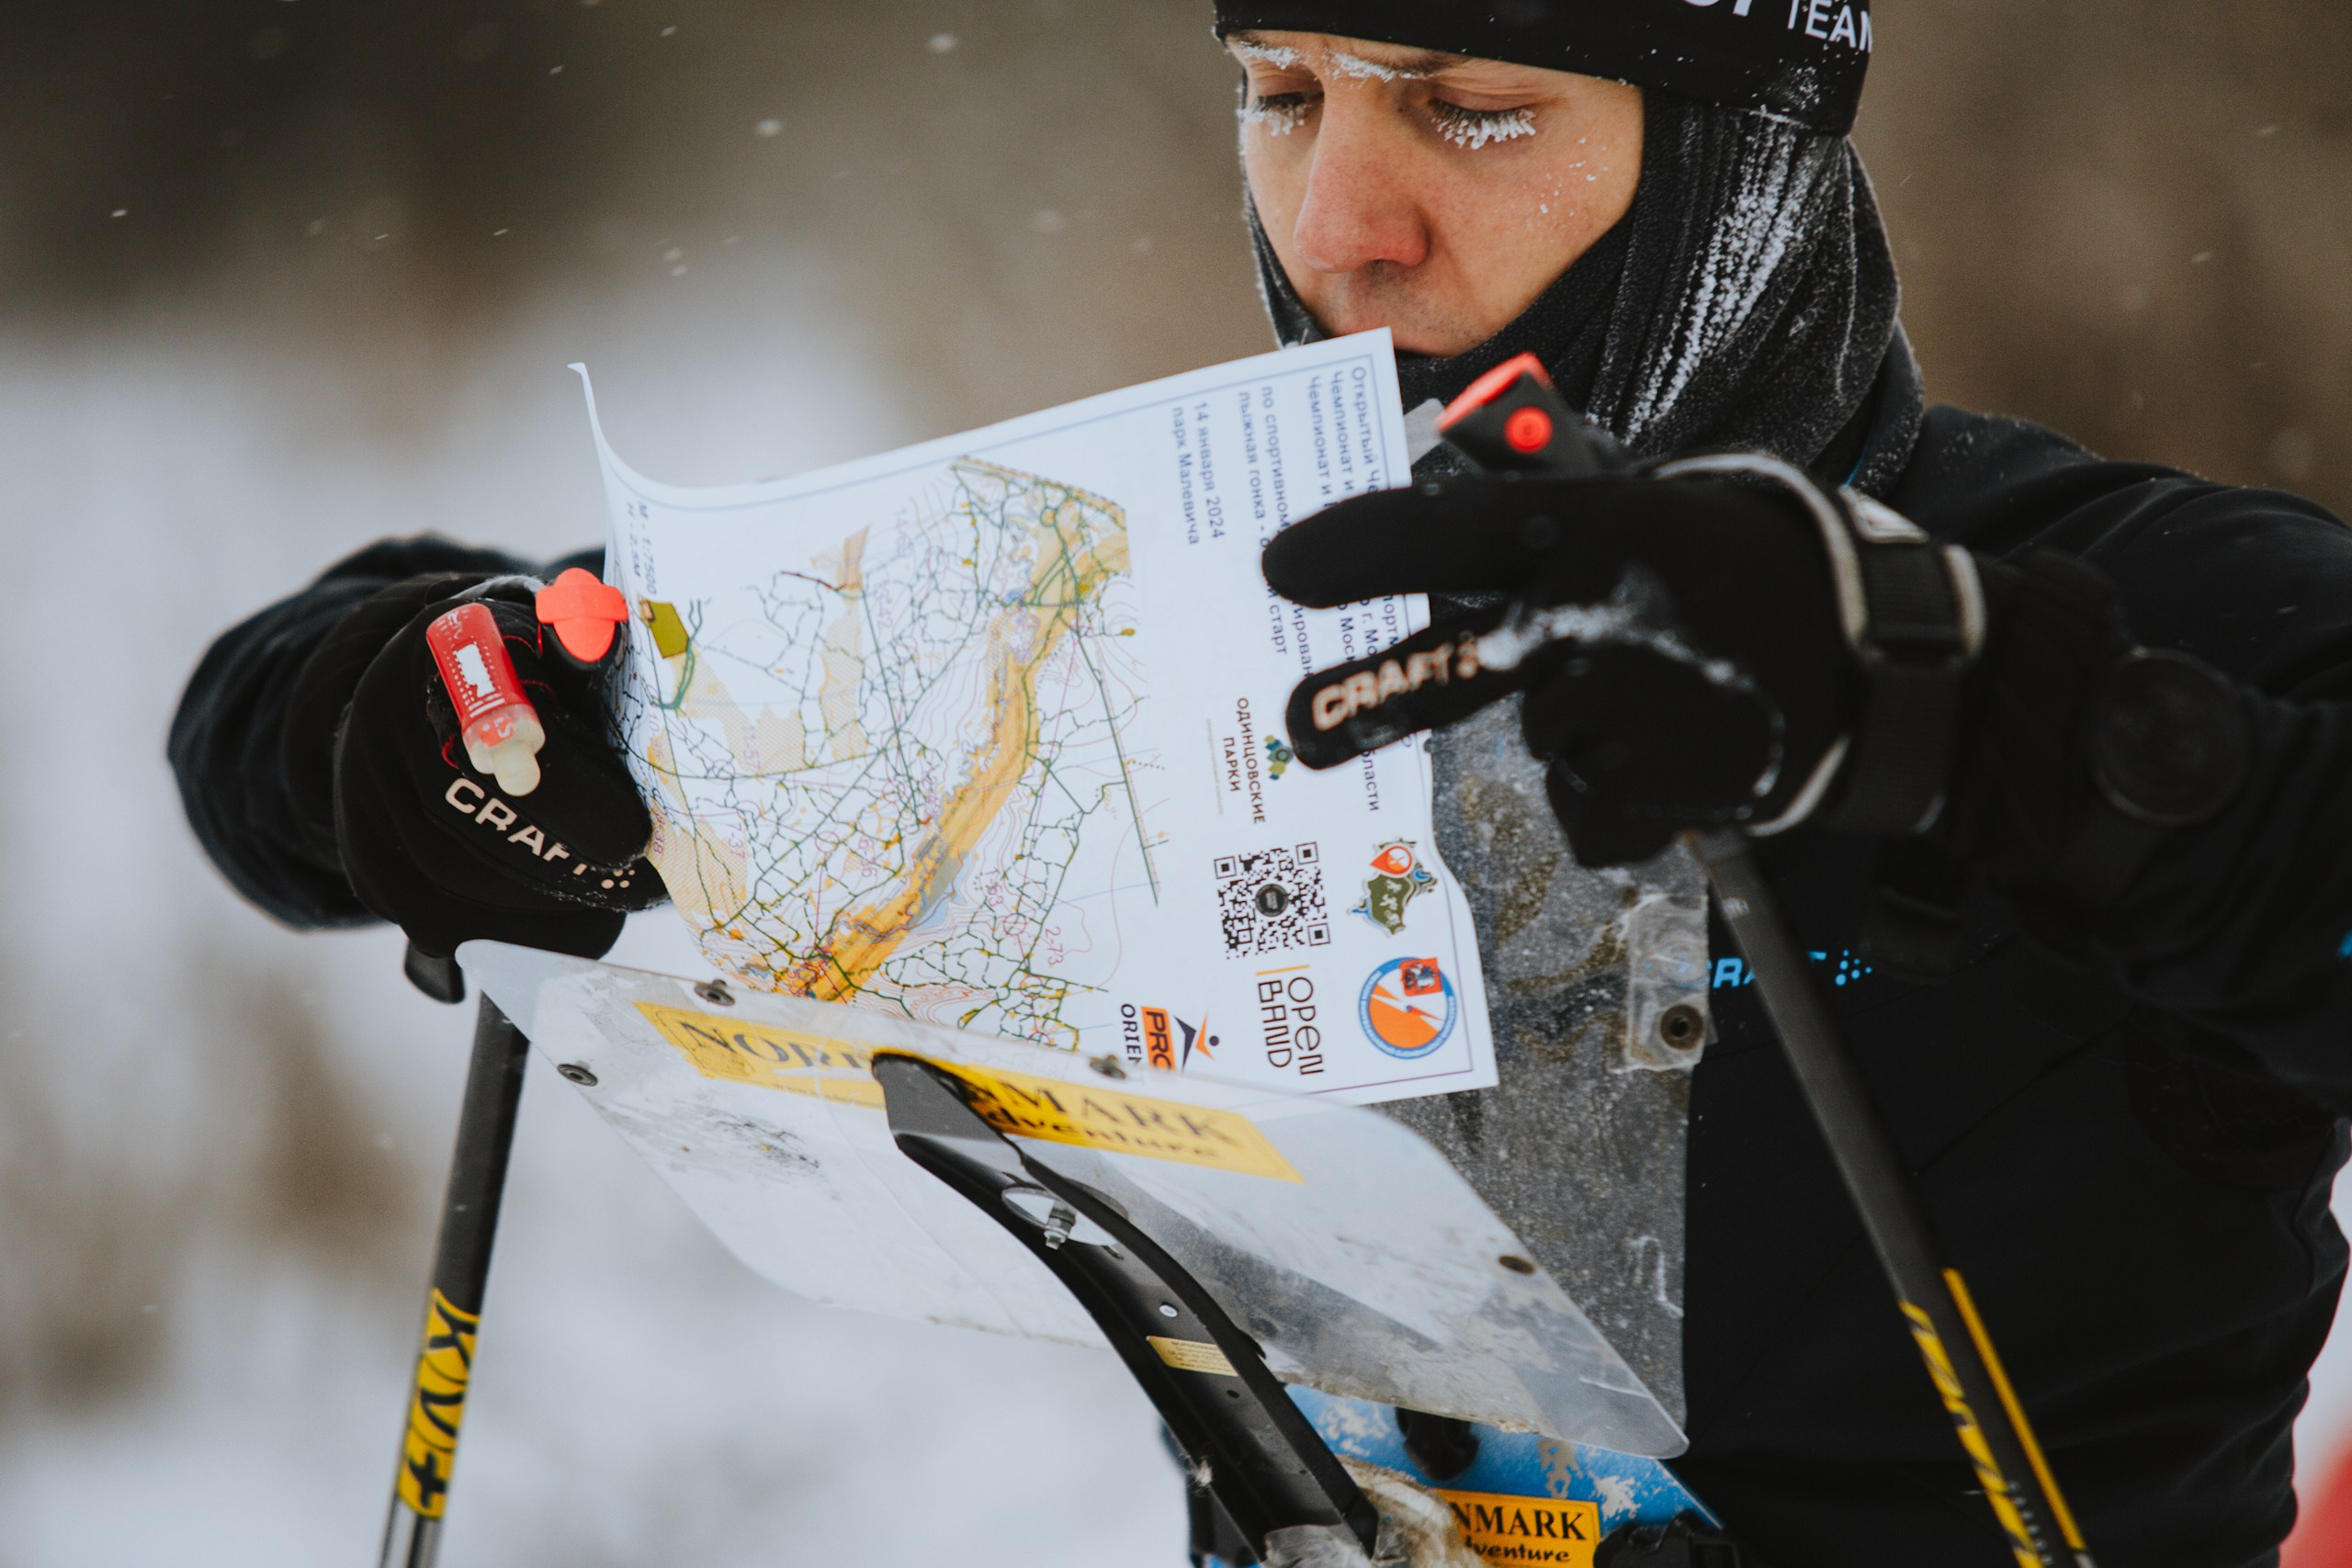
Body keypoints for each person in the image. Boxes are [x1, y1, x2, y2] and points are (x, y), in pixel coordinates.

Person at [169, 4, 2352, 1563]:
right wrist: (382, 721)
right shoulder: (1169, 603)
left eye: (1472, 106)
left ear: (1739, 160)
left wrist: (1989, 729)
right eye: (1279, 90)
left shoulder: (2119, 602)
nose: (1336, 226)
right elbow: (289, 735)